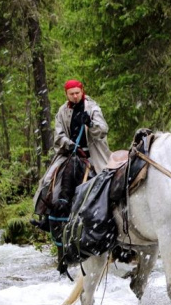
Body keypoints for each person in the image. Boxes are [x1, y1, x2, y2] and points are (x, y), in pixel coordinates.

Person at [31, 79, 111, 230]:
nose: (75, 96)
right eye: (71, 94)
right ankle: (47, 218)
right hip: (70, 153)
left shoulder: (92, 108)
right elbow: (58, 136)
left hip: (93, 155)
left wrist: (90, 124)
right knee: (48, 180)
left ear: (82, 92)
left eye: (77, 93)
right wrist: (70, 144)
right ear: (66, 94)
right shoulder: (62, 111)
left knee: (108, 182)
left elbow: (103, 130)